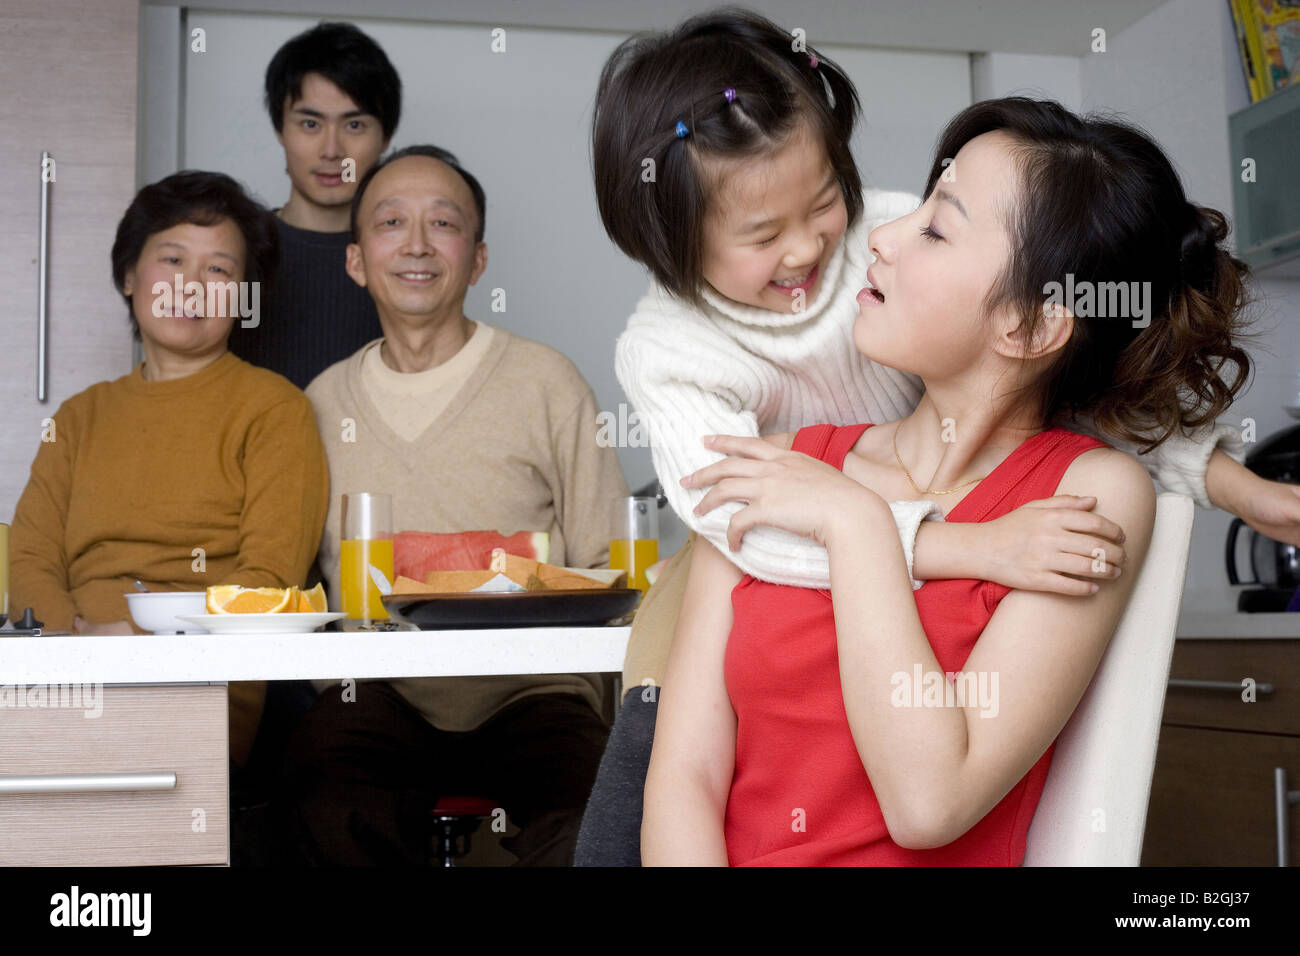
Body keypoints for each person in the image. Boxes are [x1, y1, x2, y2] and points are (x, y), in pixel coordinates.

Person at [577, 9, 1285, 866]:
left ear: (1030, 325)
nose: (871, 237)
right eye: (762, 236)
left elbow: (928, 807)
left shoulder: (1084, 497)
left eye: (934, 227)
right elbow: (685, 780)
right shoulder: (754, 448)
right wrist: (894, 525)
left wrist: (858, 523)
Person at [278, 145, 631, 866]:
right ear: (355, 260)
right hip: (376, 694)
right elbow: (296, 589)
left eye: (443, 224)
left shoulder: (546, 382)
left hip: (534, 693)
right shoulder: (319, 403)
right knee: (321, 806)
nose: (415, 244)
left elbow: (610, 569)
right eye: (390, 223)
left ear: (477, 260)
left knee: (596, 820)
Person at [8, 170, 330, 767]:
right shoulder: (80, 417)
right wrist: (72, 648)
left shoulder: (275, 410)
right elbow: (31, 558)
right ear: (130, 275)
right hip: (60, 670)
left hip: (200, 682)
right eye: (173, 258)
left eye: (219, 270)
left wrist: (148, 644)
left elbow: (270, 581)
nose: (191, 285)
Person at [227, 21, 400, 389]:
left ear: (385, 136)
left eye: (354, 126)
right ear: (279, 129)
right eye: (310, 123)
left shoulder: (407, 256)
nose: (332, 151)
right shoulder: (233, 250)